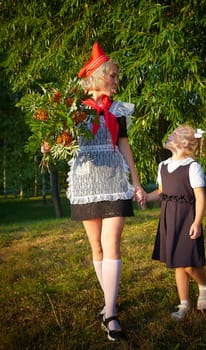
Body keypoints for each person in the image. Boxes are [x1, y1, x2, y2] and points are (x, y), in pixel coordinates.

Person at [64, 42, 145, 340]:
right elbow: (62, 142)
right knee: (96, 247)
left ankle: (110, 313)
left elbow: (124, 144)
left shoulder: (118, 110)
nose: (115, 82)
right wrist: (49, 144)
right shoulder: (73, 110)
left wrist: (135, 182)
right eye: (111, 76)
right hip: (86, 182)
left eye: (116, 77)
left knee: (112, 244)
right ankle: (107, 303)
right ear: (96, 76)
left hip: (114, 180)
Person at [145, 125, 206, 321]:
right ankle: (184, 304)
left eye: (173, 134)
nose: (169, 135)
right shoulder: (163, 166)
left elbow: (200, 197)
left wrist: (197, 222)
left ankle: (203, 285)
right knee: (177, 264)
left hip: (186, 218)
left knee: (189, 264)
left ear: (183, 143)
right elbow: (161, 191)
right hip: (169, 219)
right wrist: (145, 198)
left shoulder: (192, 167)